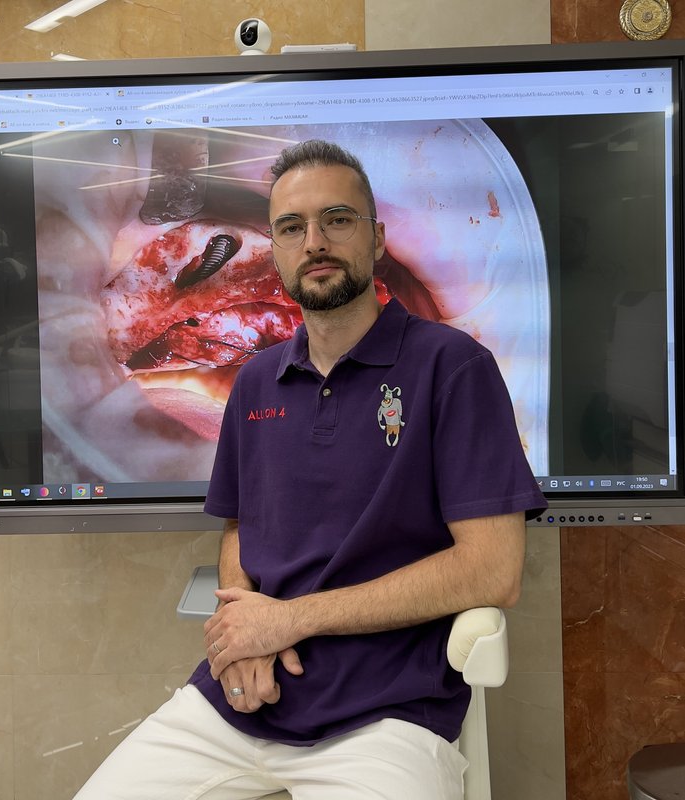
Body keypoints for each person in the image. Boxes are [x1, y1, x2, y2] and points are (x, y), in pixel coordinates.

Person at [73, 139, 546, 800]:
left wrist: (291, 621)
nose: (314, 241)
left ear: (377, 237)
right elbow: (240, 528)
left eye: (337, 219)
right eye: (292, 227)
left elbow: (493, 571)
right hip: (241, 700)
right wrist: (243, 640)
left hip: (386, 715)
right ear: (274, 246)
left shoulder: (453, 367)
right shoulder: (255, 380)